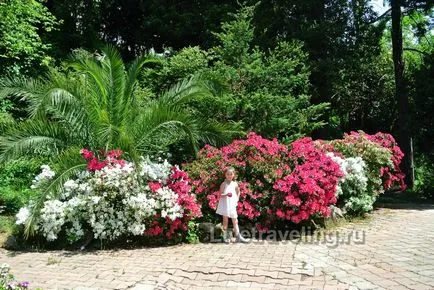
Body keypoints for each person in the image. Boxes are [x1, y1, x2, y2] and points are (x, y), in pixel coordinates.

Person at [216, 167, 248, 243]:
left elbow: (238, 191)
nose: (229, 176)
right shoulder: (223, 184)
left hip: (232, 204)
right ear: (225, 175)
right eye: (228, 174)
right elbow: (220, 194)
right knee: (225, 220)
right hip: (225, 203)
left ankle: (238, 236)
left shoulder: (235, 184)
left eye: (231, 174)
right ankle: (224, 236)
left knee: (235, 220)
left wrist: (237, 199)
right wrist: (226, 194)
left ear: (233, 175)